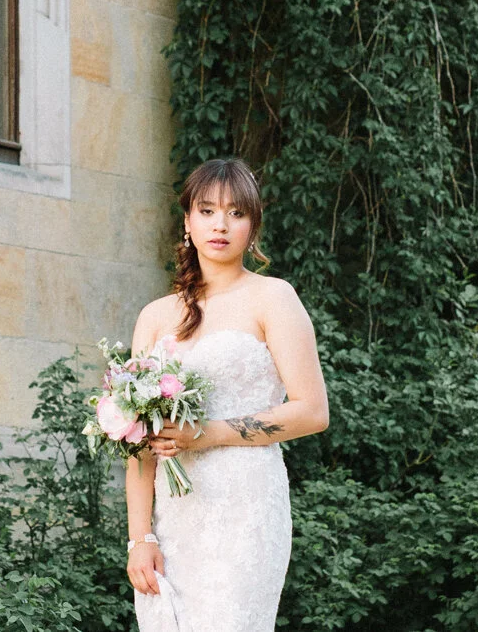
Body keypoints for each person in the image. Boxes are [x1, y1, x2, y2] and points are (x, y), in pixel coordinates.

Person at [125, 157, 330, 632]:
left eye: (237, 213)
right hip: (175, 517)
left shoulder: (273, 298)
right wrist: (140, 537)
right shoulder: (154, 316)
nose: (221, 224)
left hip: (245, 506)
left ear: (252, 226)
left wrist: (210, 433)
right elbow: (136, 441)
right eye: (208, 210)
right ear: (187, 221)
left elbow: (312, 411)